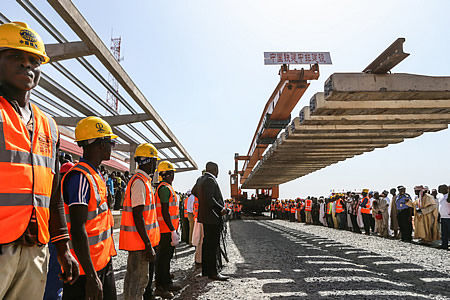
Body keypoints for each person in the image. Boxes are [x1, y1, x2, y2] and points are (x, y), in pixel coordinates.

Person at [0, 22, 79, 299]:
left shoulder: (49, 126)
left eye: (34, 60)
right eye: (15, 57)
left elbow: (53, 194)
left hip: (36, 247)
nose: (27, 65)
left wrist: (63, 246)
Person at [62, 116, 118, 300]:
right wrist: (92, 277)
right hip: (85, 272)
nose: (112, 147)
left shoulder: (94, 174)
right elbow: (78, 232)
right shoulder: (79, 178)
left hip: (101, 263)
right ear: (100, 144)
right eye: (110, 142)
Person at [119, 143, 160, 300]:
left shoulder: (143, 181)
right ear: (148, 161)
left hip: (140, 242)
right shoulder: (139, 182)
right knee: (138, 282)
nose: (155, 166)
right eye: (154, 162)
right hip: (140, 243)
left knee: (134, 280)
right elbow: (138, 215)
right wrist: (148, 244)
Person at [192, 162, 229, 281]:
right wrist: (221, 209)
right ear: (214, 170)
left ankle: (206, 271)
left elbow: (194, 192)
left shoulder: (200, 179)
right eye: (217, 170)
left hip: (204, 217)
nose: (218, 173)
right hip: (212, 217)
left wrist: (202, 201)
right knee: (212, 245)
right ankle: (213, 272)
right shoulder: (210, 180)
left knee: (206, 244)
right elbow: (210, 199)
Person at [154, 161, 181, 298]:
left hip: (168, 230)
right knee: (162, 259)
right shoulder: (164, 189)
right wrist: (172, 230)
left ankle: (167, 282)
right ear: (170, 174)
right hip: (164, 231)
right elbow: (165, 212)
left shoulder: (167, 188)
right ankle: (160, 286)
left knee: (167, 258)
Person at [437, 184, 450, 250]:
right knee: (444, 233)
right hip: (443, 217)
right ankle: (444, 245)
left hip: (448, 217)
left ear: (445, 189)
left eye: (440, 188)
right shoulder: (440, 196)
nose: (439, 189)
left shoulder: (448, 195)